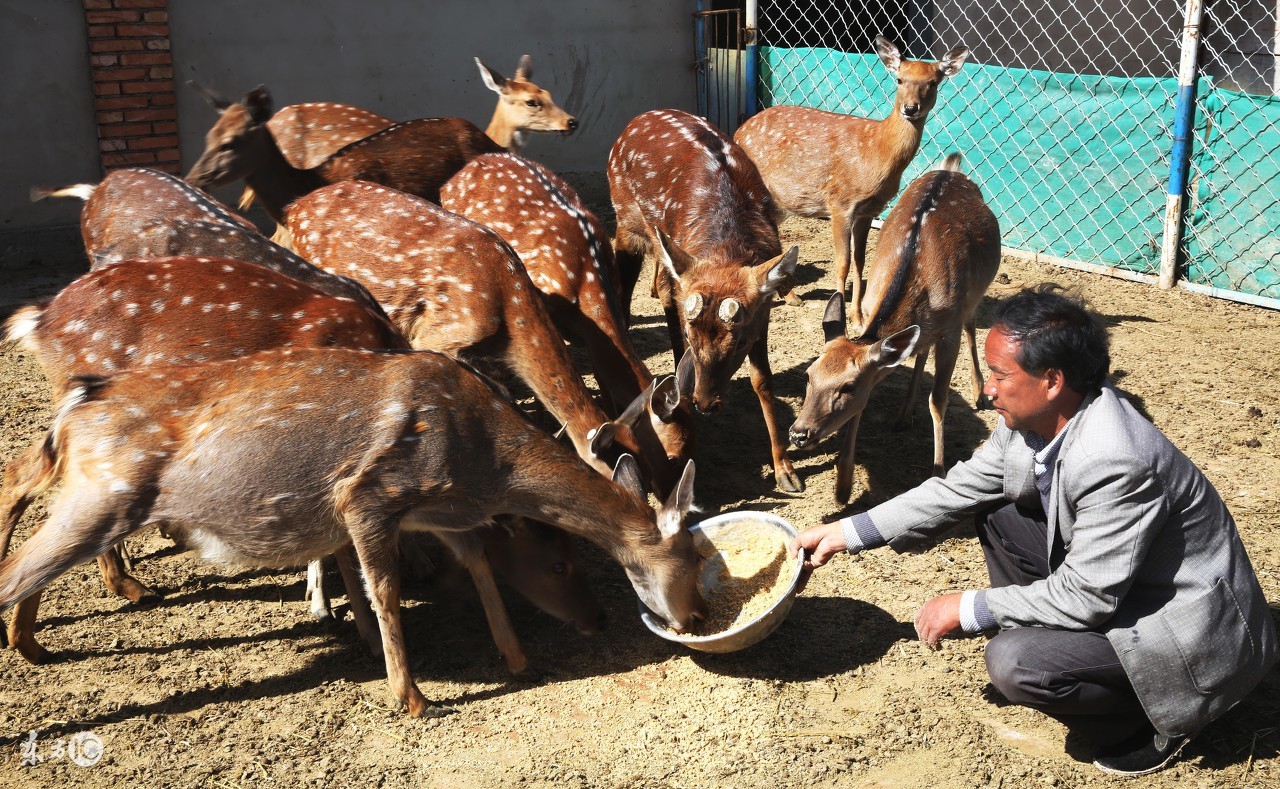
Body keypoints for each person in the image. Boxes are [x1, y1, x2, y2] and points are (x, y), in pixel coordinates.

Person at [790, 284, 1277, 776]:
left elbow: (1086, 597)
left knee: (1017, 664)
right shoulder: (1035, 418)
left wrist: (971, 606)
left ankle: (1154, 721)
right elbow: (961, 487)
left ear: (1051, 380)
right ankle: (1058, 639)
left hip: (1181, 630)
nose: (986, 388)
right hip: (1123, 586)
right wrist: (843, 532)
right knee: (1000, 510)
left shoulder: (1117, 459)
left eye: (999, 375)